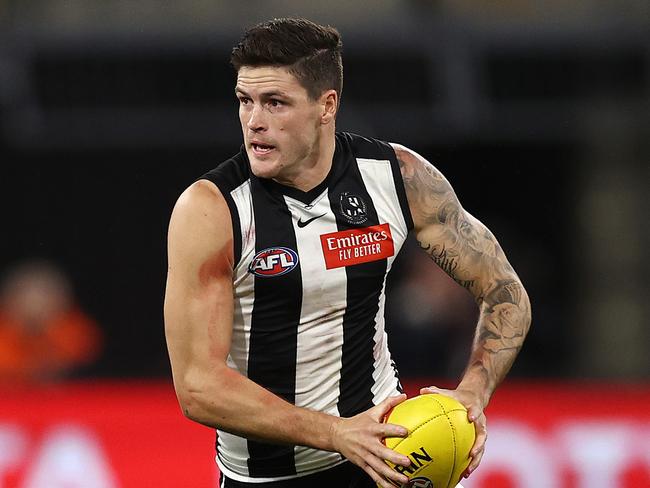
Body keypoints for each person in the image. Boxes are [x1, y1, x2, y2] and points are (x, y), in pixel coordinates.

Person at [164, 18, 531, 488]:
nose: (254, 121)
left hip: (385, 459)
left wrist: (473, 394)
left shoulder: (397, 178)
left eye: (275, 102)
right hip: (265, 478)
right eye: (245, 101)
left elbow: (505, 291)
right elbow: (198, 388)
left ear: (327, 105)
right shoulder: (211, 209)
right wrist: (336, 433)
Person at [0, 260, 103, 385]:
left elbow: (83, 354)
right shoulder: (4, 333)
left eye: (43, 298)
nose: (34, 307)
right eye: (25, 298)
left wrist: (47, 341)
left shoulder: (75, 330)